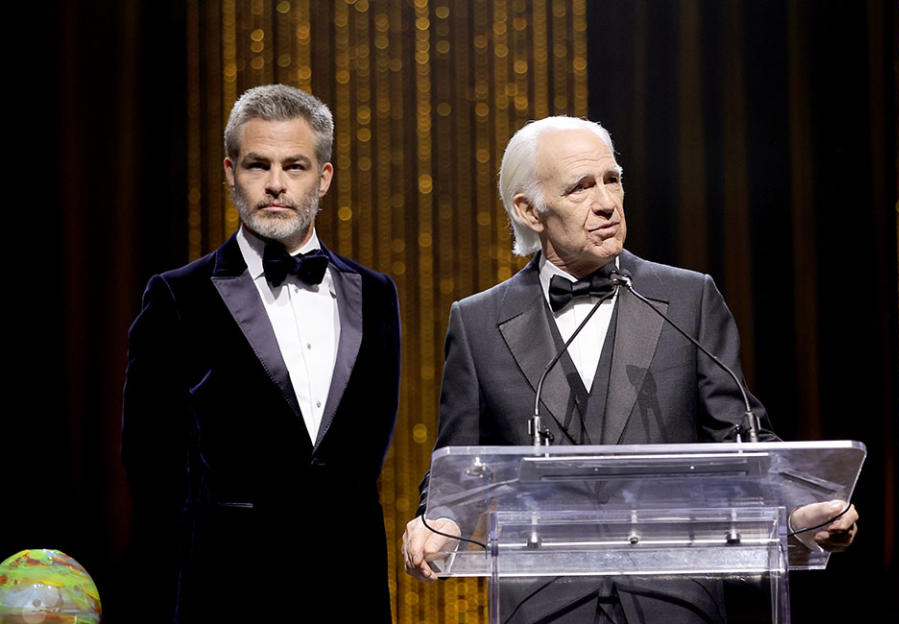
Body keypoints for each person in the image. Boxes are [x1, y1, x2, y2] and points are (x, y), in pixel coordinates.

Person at [401, 116, 858, 622]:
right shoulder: (479, 321)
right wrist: (438, 519)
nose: (606, 202)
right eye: (580, 187)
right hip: (542, 603)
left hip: (674, 596)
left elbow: (742, 439)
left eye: (612, 179)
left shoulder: (687, 299)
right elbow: (458, 463)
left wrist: (799, 511)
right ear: (530, 210)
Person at [122, 84, 399, 622]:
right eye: (257, 165)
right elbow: (150, 472)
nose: (275, 184)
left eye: (294, 166)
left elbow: (366, 458)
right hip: (226, 594)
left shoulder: (377, 294)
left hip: (351, 590)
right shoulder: (177, 296)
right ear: (230, 173)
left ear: (324, 178)